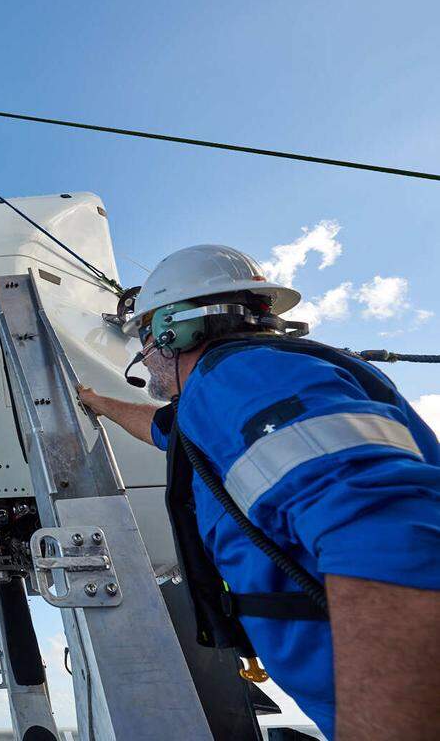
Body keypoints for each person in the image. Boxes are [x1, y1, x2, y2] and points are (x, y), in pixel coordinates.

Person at [76, 244, 439, 740]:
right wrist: (97, 402)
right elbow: (166, 430)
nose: (144, 356)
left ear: (174, 330)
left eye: (145, 338)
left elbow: (388, 537)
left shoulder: (244, 379)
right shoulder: (232, 392)